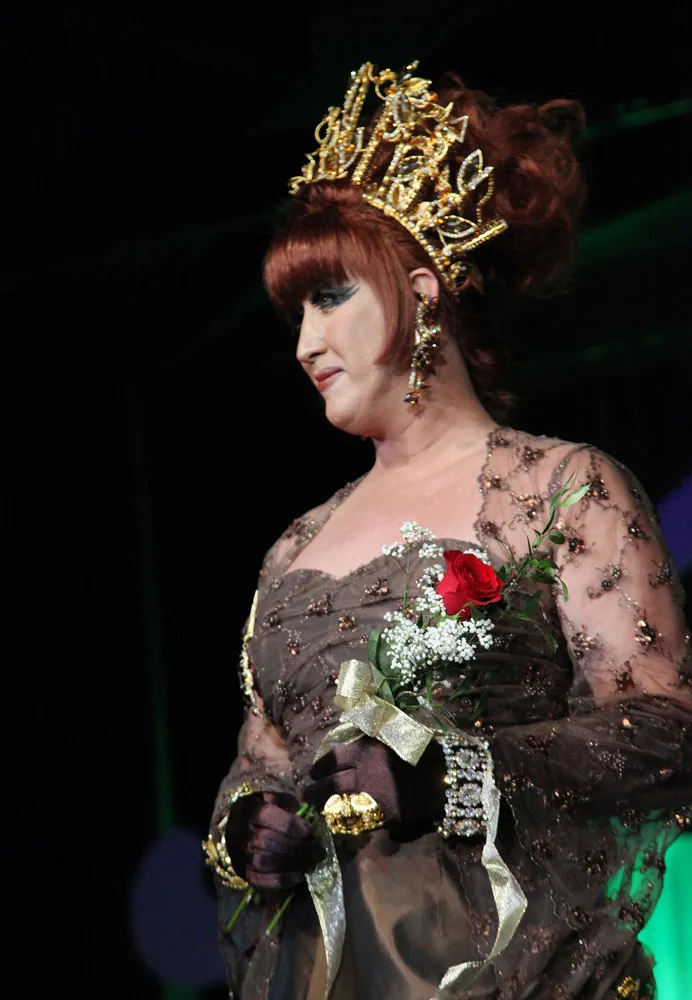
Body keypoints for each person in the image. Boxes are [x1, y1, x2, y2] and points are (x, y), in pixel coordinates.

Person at [204, 61, 692, 1000]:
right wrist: (253, 823)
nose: (305, 344)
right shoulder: (294, 549)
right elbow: (258, 760)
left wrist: (456, 776)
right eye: (296, 313)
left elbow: (669, 730)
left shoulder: (559, 491)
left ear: (424, 291)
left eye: (330, 297)